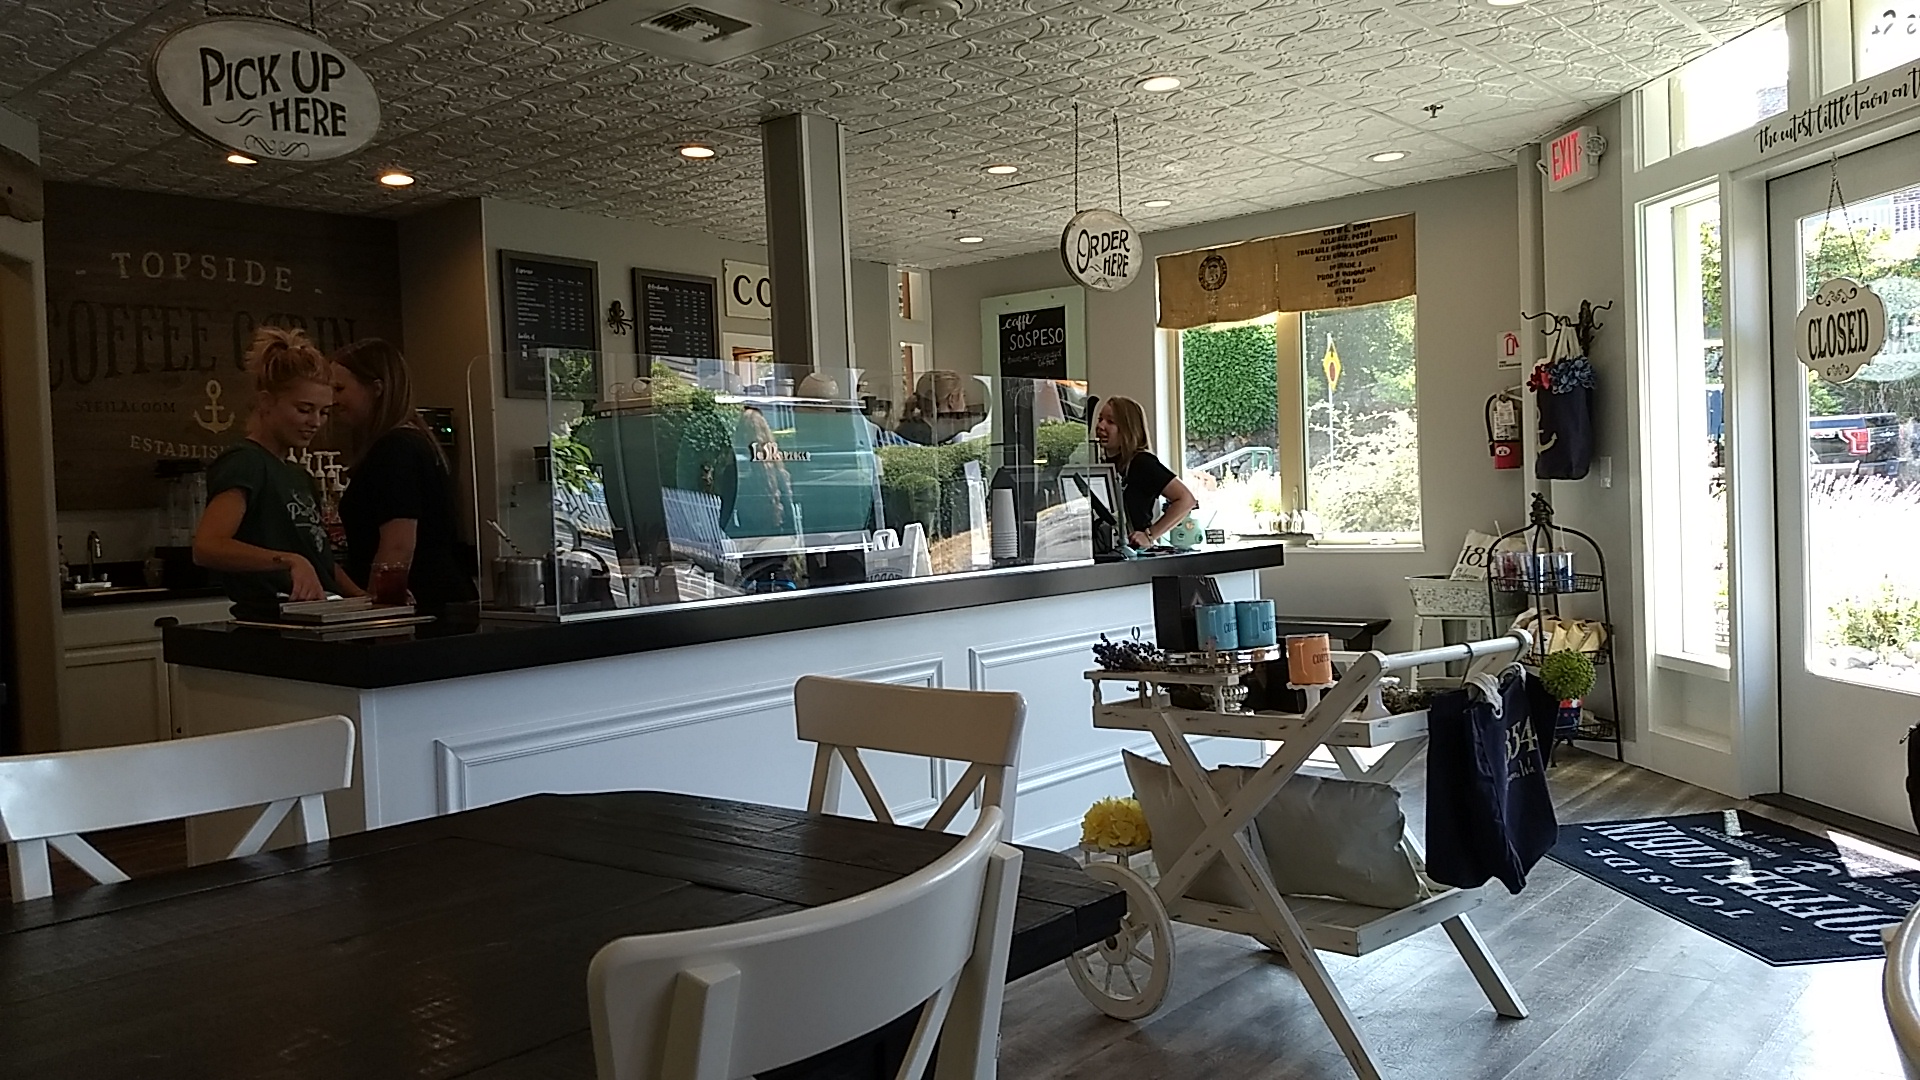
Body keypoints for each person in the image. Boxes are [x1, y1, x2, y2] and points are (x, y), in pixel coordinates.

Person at [194, 327, 362, 614]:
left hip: (319, 613)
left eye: (324, 412)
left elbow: (319, 560)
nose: (315, 422)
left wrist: (364, 597)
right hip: (273, 617)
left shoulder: (300, 476)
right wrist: (288, 560)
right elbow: (208, 547)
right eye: (304, 409)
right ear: (266, 402)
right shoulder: (245, 462)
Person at [329, 338, 478, 610]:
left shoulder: (394, 448)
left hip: (423, 602)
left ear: (376, 389)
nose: (332, 400)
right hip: (443, 596)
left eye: (339, 389)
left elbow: (397, 546)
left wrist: (378, 609)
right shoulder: (415, 440)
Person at [1094, 395, 1199, 548]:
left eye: (1110, 422)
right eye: (1100, 419)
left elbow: (1186, 500)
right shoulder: (1103, 463)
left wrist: (1149, 535)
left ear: (1128, 429)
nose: (1101, 426)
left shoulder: (1142, 463)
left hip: (1132, 553)